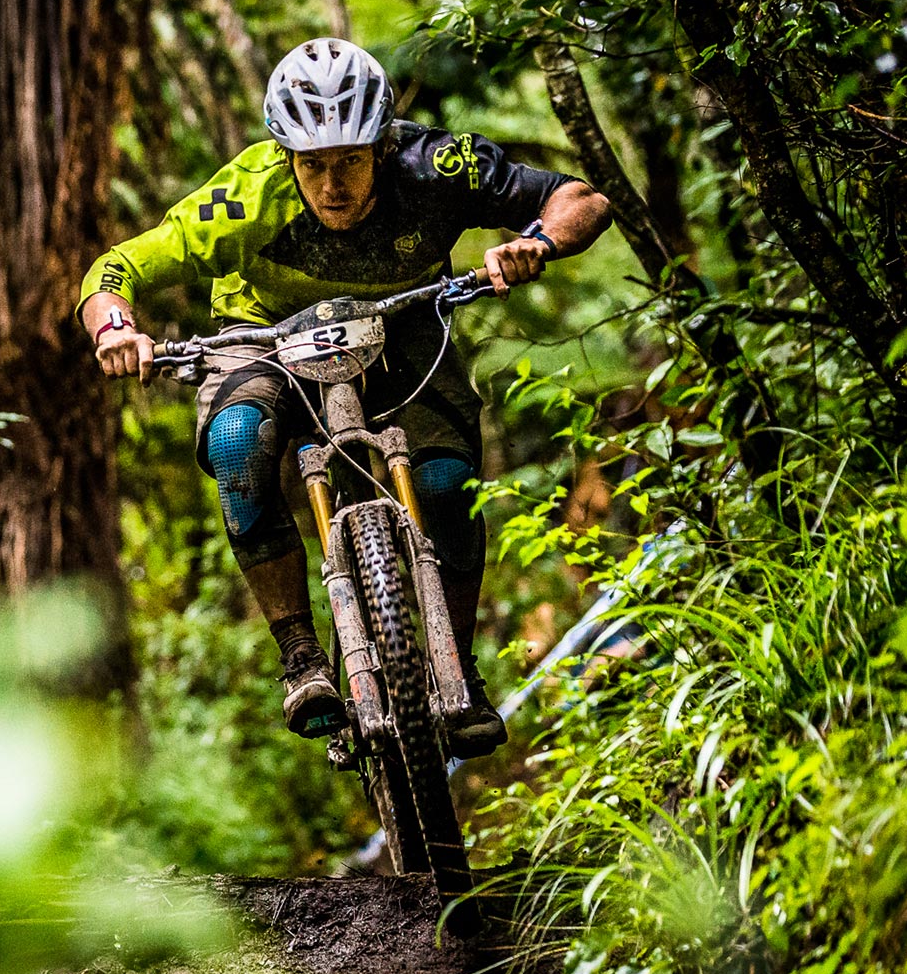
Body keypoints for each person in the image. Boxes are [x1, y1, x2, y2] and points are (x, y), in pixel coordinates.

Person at [79, 37, 612, 755]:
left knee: (447, 480)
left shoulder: (436, 168)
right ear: (285, 158)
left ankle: (457, 667)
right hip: (264, 332)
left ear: (383, 146)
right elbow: (116, 269)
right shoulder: (243, 199)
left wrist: (537, 243)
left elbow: (578, 197)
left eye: (351, 161)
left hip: (402, 318)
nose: (332, 185)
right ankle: (301, 656)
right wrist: (117, 330)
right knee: (239, 441)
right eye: (312, 166)